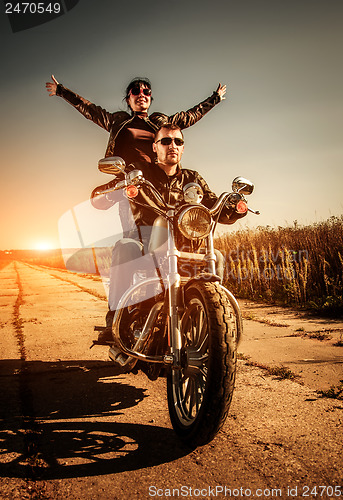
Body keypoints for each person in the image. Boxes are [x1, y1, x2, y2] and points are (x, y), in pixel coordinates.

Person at [91, 124, 246, 342]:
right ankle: (116, 320)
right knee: (125, 247)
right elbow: (100, 196)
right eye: (166, 141)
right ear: (155, 147)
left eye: (178, 141)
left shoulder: (193, 180)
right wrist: (107, 193)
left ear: (183, 148)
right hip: (146, 246)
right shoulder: (139, 174)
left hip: (186, 249)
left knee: (217, 256)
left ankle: (213, 326)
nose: (172, 145)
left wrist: (234, 207)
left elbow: (214, 208)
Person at [45, 75, 226, 166]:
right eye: (136, 92)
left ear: (150, 98)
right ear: (128, 100)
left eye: (146, 92)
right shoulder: (118, 121)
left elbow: (189, 116)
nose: (142, 95)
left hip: (157, 178)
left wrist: (215, 98)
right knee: (133, 232)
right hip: (128, 182)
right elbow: (90, 110)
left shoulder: (160, 123)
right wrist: (62, 91)